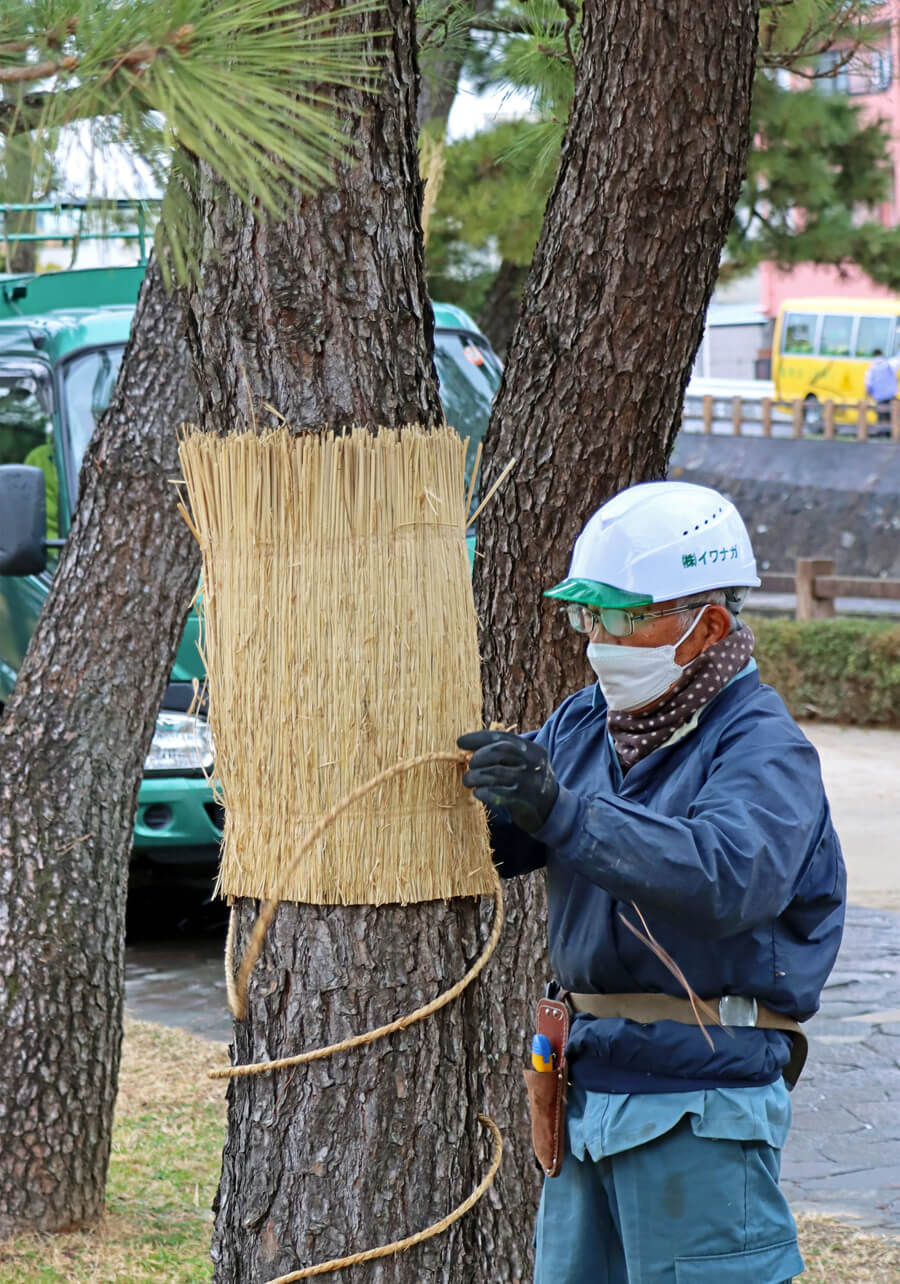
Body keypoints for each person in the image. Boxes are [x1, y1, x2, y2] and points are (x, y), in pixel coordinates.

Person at [459, 481, 845, 1284]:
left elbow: (727, 874)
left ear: (705, 624)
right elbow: (514, 835)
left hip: (698, 1104)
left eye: (623, 616)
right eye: (587, 615)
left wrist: (560, 811)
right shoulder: (585, 723)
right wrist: (484, 802)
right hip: (586, 1092)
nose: (597, 637)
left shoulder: (762, 747)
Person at [864, 347, 898, 429]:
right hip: (891, 395)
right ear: (882, 355)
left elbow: (868, 384)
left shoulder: (871, 369)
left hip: (879, 397)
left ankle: (881, 432)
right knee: (894, 415)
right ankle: (892, 433)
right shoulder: (888, 364)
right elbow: (898, 360)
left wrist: (870, 394)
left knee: (881, 416)